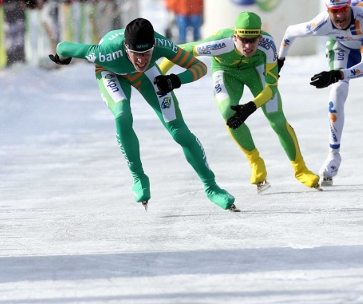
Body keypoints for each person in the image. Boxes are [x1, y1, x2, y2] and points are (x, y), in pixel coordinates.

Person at [50, 18, 238, 212]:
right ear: (125, 47)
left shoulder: (161, 44)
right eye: (136, 54)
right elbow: (64, 47)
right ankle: (138, 177)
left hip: (147, 75)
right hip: (111, 71)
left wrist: (174, 80)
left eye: (147, 53)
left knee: (179, 132)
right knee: (122, 114)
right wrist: (61, 57)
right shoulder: (104, 53)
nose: (141, 59)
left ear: (153, 46)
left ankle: (212, 188)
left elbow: (200, 67)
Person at [161, 12, 320, 193]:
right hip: (226, 72)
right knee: (228, 113)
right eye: (243, 39)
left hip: (256, 70)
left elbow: (272, 86)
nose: (248, 45)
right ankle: (255, 162)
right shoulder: (219, 43)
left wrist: (251, 107)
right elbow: (177, 52)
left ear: (260, 37)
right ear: (235, 36)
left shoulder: (268, 45)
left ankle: (301, 170)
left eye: (252, 40)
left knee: (277, 119)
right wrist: (158, 76)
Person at [277, 0, 363, 185]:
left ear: (349, 5)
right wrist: (280, 60)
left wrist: (338, 73)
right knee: (339, 88)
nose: (340, 15)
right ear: (327, 10)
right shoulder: (321, 23)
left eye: (343, 9)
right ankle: (334, 153)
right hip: (341, 47)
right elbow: (291, 32)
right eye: (334, 11)